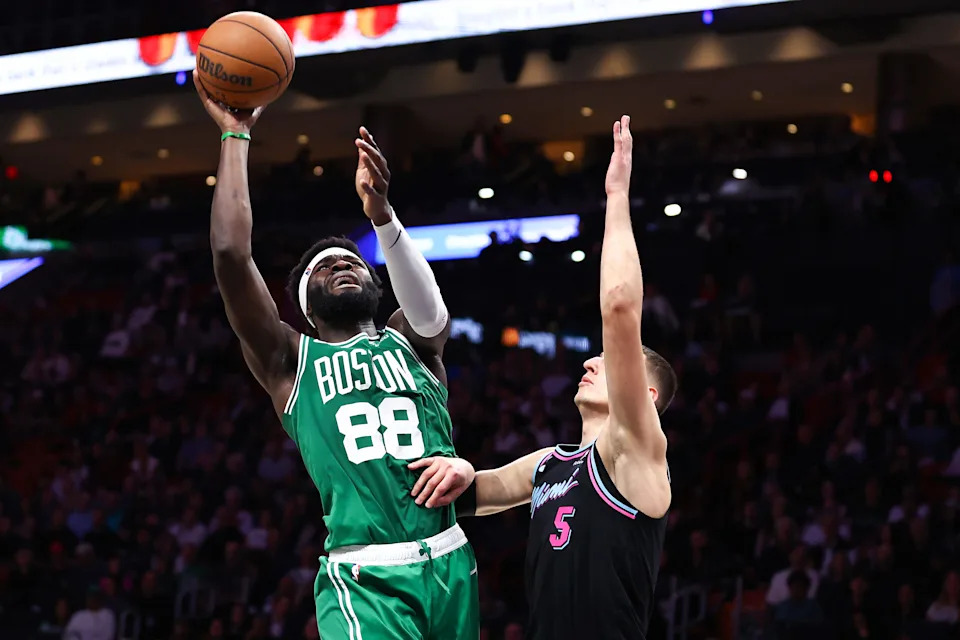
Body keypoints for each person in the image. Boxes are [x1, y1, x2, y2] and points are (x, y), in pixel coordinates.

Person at [193, 71, 477, 639]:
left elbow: (432, 315)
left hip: (450, 560)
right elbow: (229, 252)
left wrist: (383, 218)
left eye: (352, 262)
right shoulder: (288, 360)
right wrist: (235, 137)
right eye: (325, 268)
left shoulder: (410, 337)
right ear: (308, 308)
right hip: (366, 575)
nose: (343, 265)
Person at [411, 116, 674, 639]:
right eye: (595, 358)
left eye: (609, 361)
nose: (590, 363)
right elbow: (476, 494)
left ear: (645, 397)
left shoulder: (636, 453)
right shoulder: (550, 464)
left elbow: (621, 306)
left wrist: (616, 196)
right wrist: (461, 470)